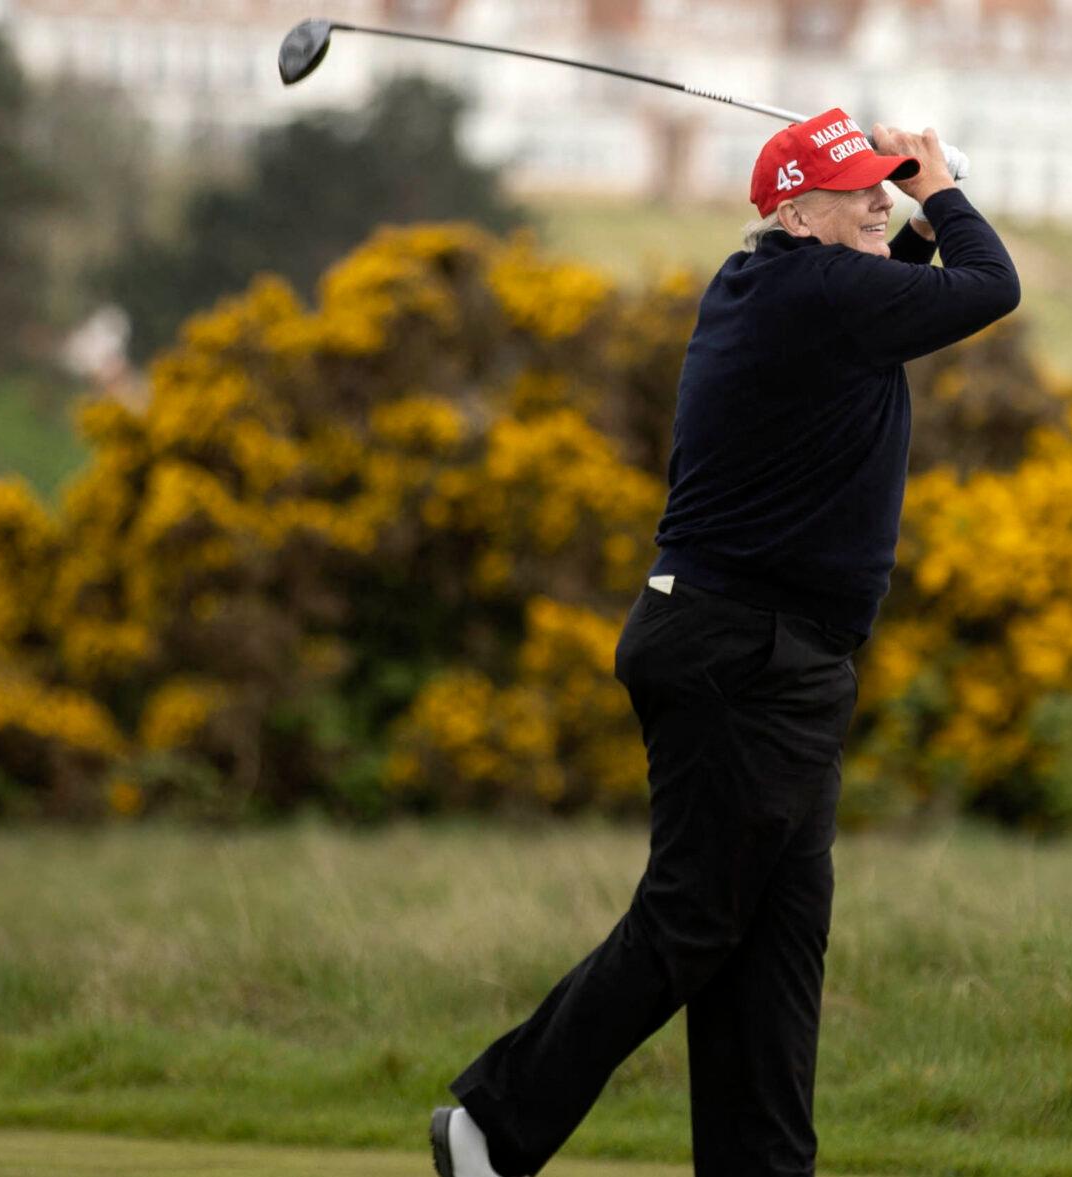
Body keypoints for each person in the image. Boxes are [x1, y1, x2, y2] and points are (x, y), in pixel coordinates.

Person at [428, 108, 1020, 1177]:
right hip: (744, 656)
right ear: (794, 210)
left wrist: (912, 200)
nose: (879, 203)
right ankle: (492, 1122)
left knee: (775, 941)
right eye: (860, 191)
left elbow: (911, 286)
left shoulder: (791, 287)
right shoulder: (817, 290)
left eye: (883, 185)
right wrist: (939, 187)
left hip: (766, 656)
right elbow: (988, 287)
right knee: (698, 916)